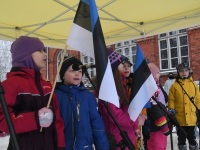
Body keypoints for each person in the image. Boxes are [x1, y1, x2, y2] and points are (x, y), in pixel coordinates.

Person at [0, 36, 65, 150]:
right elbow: (2, 121)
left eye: (45, 51)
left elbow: (57, 120)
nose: (45, 54)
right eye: (40, 51)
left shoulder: (47, 86)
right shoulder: (10, 85)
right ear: (25, 55)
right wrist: (35, 118)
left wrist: (60, 146)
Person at [55, 57, 109, 150]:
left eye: (80, 72)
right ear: (63, 75)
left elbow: (97, 125)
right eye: (72, 71)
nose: (77, 74)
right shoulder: (55, 95)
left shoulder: (88, 96)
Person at [98, 49, 139, 150]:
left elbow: (126, 109)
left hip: (126, 135)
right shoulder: (110, 88)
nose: (124, 66)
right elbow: (115, 115)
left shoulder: (122, 84)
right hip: (118, 137)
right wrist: (134, 122)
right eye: (121, 63)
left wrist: (135, 128)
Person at [168, 62, 200, 150]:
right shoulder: (174, 86)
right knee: (181, 138)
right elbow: (171, 100)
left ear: (189, 71)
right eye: (181, 71)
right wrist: (171, 109)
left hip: (191, 117)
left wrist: (198, 109)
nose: (184, 73)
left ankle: (194, 147)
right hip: (180, 118)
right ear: (178, 72)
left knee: (192, 137)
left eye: (186, 70)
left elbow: (198, 99)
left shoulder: (194, 85)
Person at [117, 55, 147, 150]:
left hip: (137, 121)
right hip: (126, 123)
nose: (126, 68)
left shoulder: (134, 83)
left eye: (128, 66)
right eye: (124, 66)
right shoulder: (119, 85)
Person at [146, 63, 170, 150]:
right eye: (157, 72)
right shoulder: (149, 88)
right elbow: (152, 107)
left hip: (161, 124)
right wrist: (163, 123)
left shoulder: (157, 86)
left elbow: (163, 101)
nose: (159, 74)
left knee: (162, 146)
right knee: (156, 146)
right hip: (154, 126)